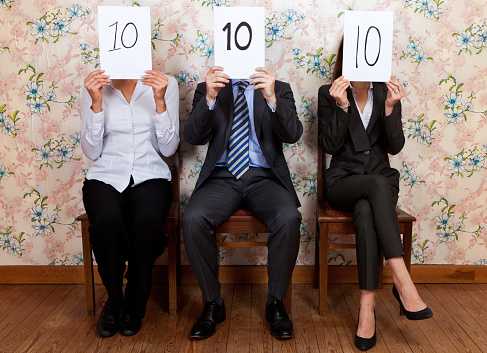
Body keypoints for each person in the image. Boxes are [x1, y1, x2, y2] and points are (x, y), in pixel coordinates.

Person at [318, 39, 432, 351]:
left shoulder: (384, 92)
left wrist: (391, 109)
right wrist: (342, 106)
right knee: (377, 186)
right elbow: (329, 145)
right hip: (343, 182)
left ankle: (366, 310)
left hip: (378, 185)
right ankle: (403, 281)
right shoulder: (330, 92)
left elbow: (394, 146)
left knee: (367, 208)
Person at [182, 66, 302, 340]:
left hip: (265, 178)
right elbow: (193, 137)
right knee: (191, 219)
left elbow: (293, 134)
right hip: (222, 177)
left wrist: (272, 99)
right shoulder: (209, 87)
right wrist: (210, 98)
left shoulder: (279, 87)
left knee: (289, 217)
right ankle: (213, 303)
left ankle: (276, 303)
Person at [81, 69, 179, 337]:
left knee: (147, 224)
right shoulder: (94, 85)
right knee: (106, 223)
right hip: (105, 176)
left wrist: (160, 101)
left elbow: (169, 149)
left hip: (151, 175)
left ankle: (135, 307)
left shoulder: (166, 83)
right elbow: (91, 151)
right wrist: (96, 103)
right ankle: (114, 303)